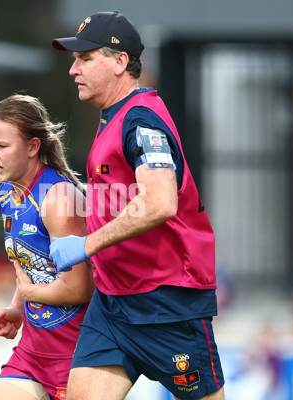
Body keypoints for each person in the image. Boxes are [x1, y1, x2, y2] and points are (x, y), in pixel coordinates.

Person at [50, 11, 225, 400]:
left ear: (119, 62)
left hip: (166, 304)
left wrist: (86, 245)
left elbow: (159, 202)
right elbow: (120, 196)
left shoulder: (141, 120)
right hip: (113, 304)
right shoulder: (114, 117)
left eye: (85, 58)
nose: (73, 70)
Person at [0, 94, 94, 400]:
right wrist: (18, 308)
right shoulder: (6, 193)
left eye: (2, 146)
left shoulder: (58, 199)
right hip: (33, 351)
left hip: (76, 354)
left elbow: (79, 289)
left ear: (33, 147)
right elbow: (33, 265)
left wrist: (31, 294)